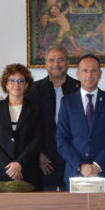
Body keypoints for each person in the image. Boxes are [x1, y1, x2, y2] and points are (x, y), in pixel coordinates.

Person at [56, 54, 105, 190]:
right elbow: (61, 140)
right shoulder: (67, 102)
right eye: (85, 71)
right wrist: (80, 166)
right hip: (75, 174)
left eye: (93, 70)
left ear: (100, 74)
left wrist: (98, 165)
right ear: (78, 74)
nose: (89, 75)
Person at [0, 64, 44, 190]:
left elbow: (37, 140)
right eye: (12, 80)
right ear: (6, 84)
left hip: (28, 171)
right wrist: (9, 166)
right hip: (1, 172)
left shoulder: (36, 109)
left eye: (21, 81)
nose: (16, 84)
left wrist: (19, 163)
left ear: (26, 85)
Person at [33, 46, 80, 190]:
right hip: (44, 160)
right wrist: (37, 153)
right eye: (51, 60)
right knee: (47, 202)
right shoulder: (33, 90)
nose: (56, 64)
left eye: (61, 60)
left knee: (74, 201)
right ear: (45, 63)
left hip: (74, 157)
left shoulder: (79, 88)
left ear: (68, 63)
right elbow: (29, 127)